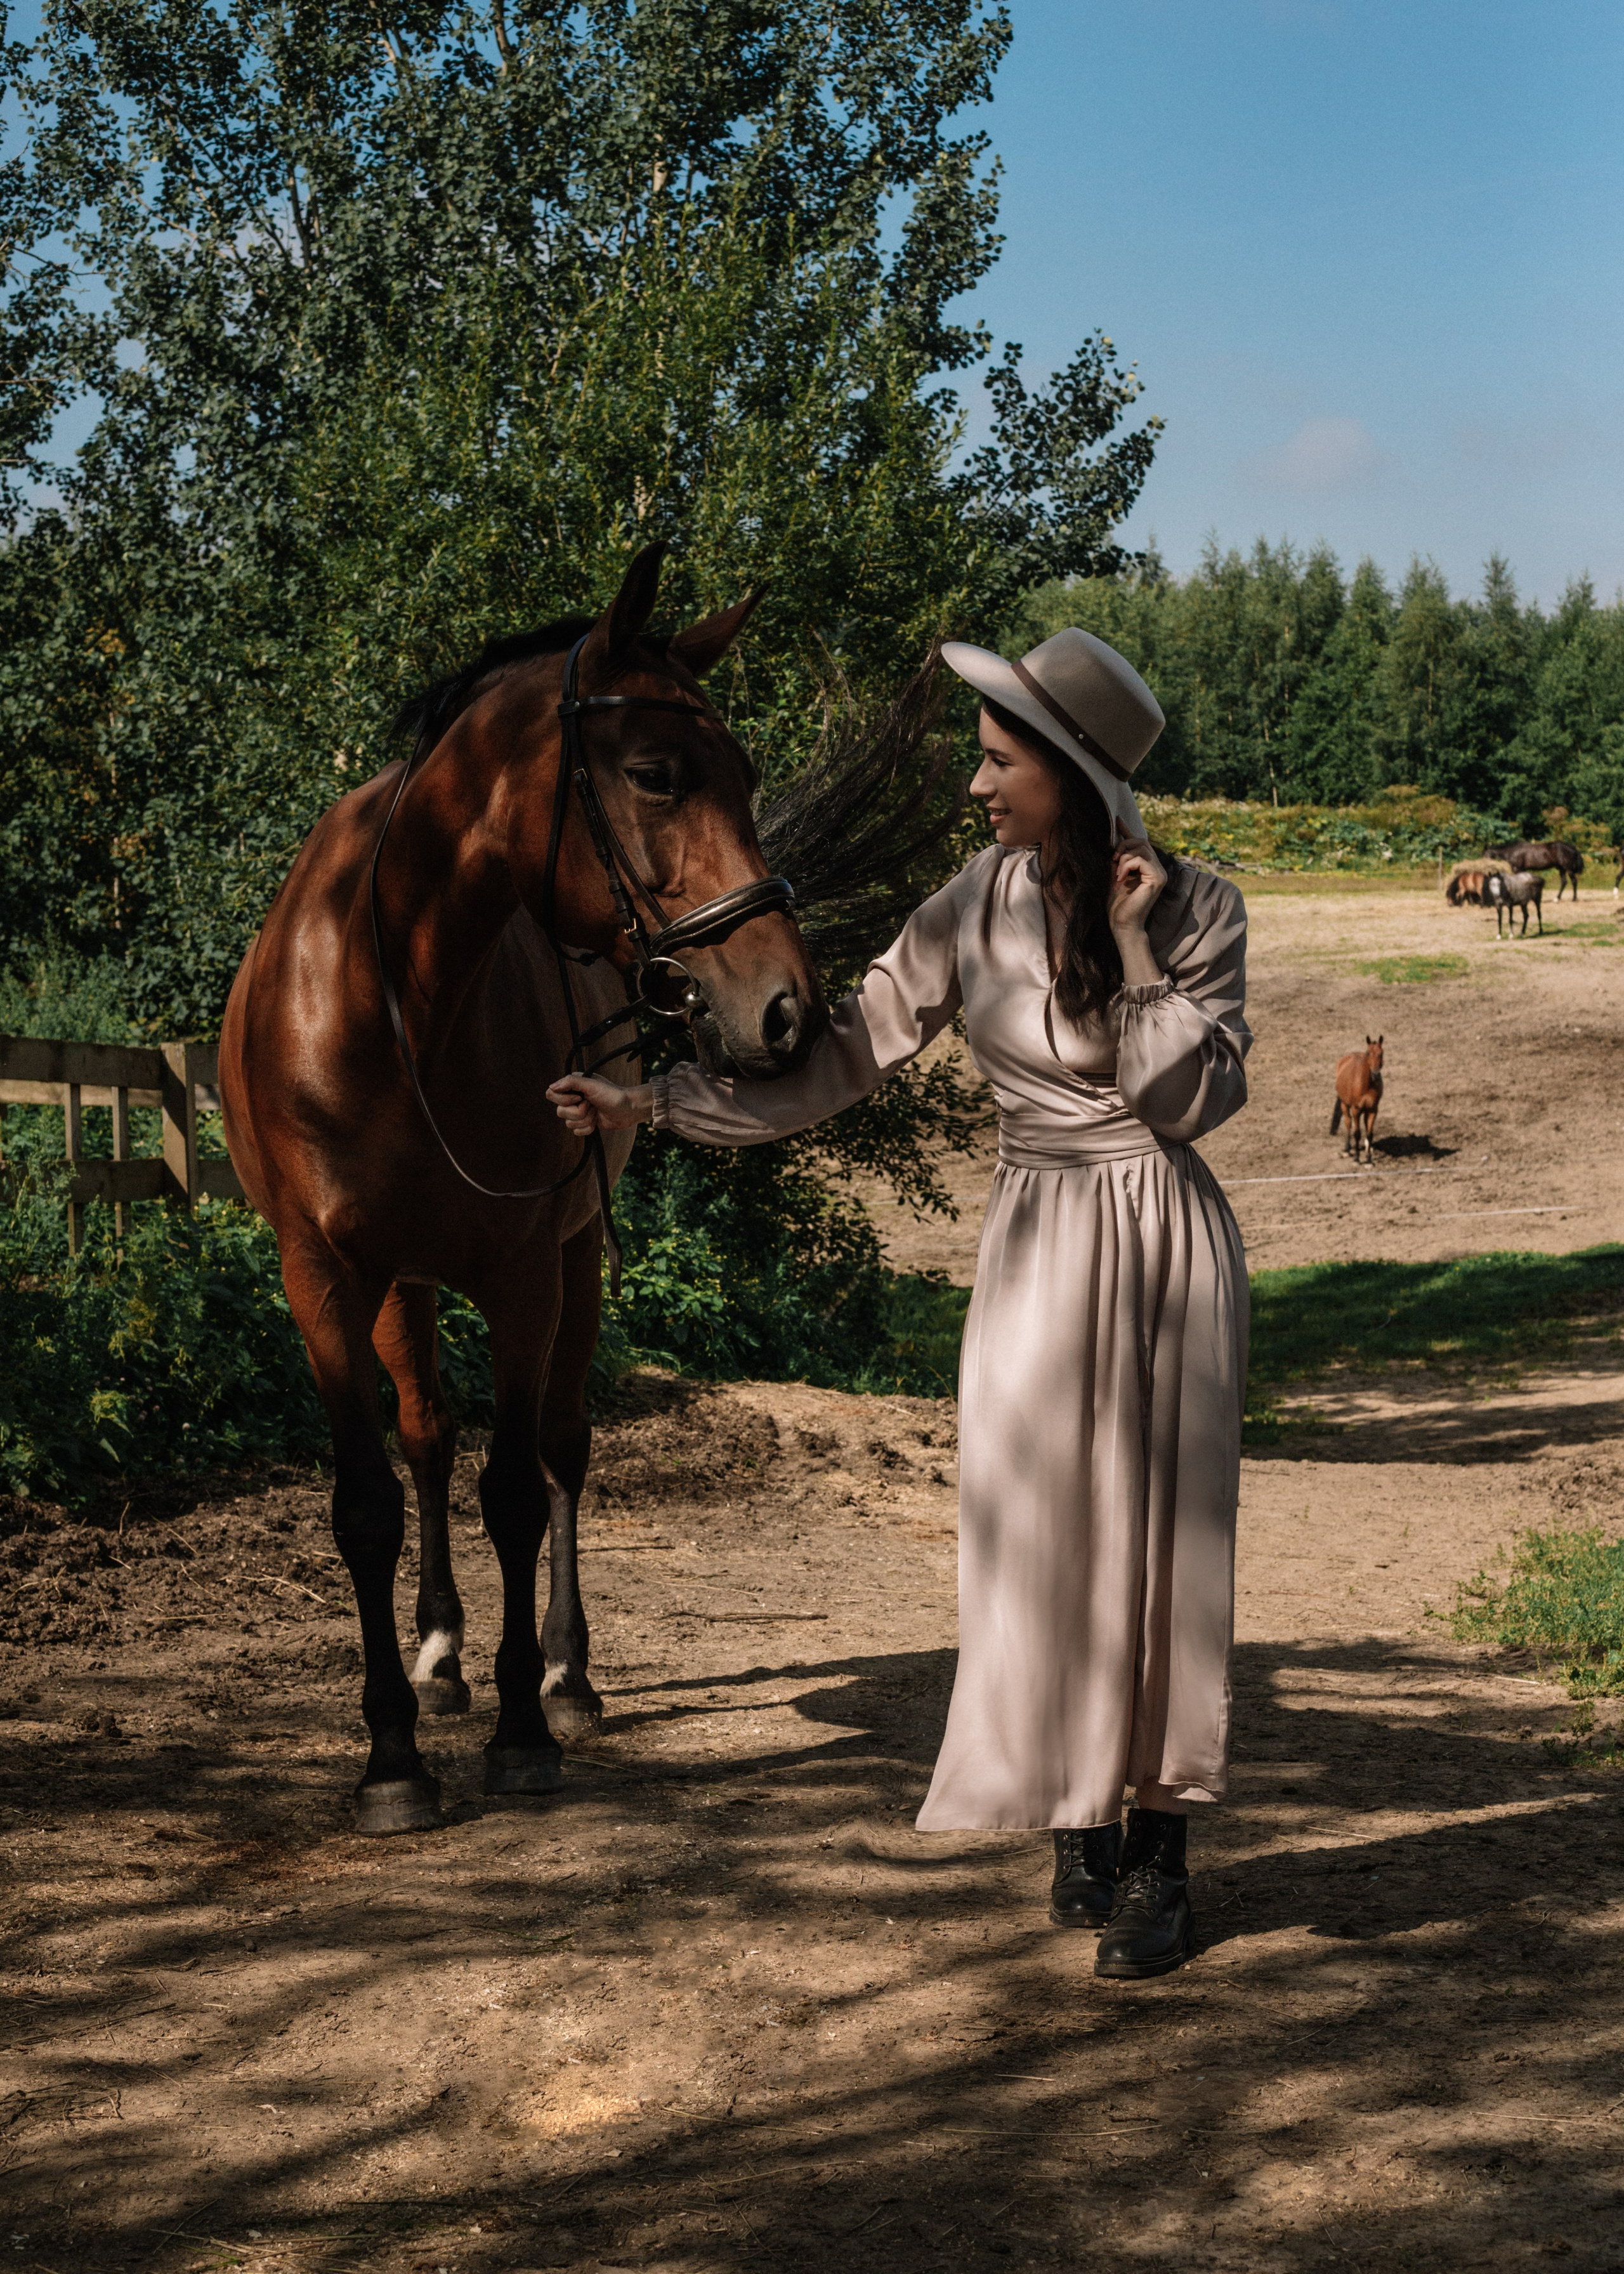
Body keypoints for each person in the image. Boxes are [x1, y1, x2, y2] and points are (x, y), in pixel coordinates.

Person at [547, 628, 1250, 1980]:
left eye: (996, 762)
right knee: (1033, 1538)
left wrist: (1124, 937)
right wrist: (656, 1102)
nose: (974, 788)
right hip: (1037, 1239)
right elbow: (847, 1054)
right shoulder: (967, 906)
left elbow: (1181, 1099)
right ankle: (1072, 1801)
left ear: (1069, 772)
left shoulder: (1198, 907)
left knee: (1167, 1548)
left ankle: (1159, 1853)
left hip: (1161, 1238)